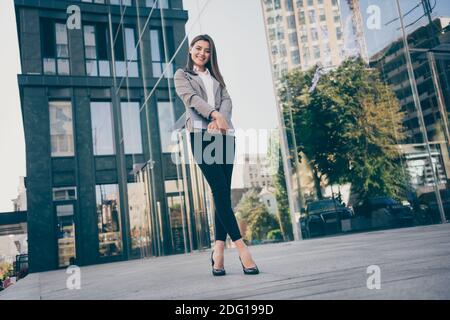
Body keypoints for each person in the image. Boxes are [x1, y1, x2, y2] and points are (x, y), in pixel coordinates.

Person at [174, 34, 259, 276]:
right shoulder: (182, 75)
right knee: (220, 191)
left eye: (207, 51)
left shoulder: (217, 79)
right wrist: (213, 115)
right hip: (201, 137)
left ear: (211, 55)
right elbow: (191, 99)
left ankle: (218, 253)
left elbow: (227, 102)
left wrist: (221, 119)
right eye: (198, 48)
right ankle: (243, 250)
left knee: (221, 194)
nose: (202, 53)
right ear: (191, 50)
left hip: (224, 137)